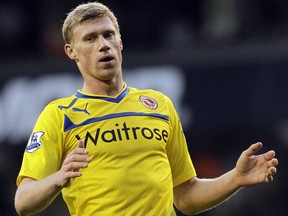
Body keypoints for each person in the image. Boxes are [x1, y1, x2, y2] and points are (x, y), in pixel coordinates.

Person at [14, 2, 278, 216]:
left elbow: (186, 195)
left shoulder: (158, 105)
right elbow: (23, 202)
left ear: (120, 42)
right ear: (71, 52)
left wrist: (235, 179)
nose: (103, 44)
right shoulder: (59, 115)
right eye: (90, 38)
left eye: (108, 35)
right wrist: (57, 178)